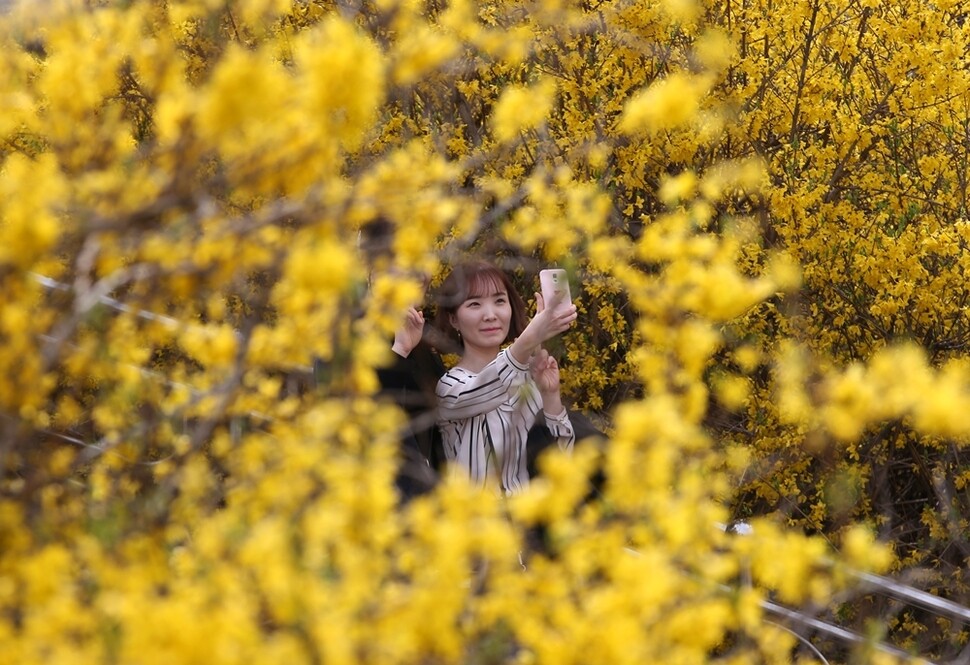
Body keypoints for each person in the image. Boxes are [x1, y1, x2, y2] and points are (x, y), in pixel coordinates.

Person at [432, 260, 578, 495]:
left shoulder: (528, 377)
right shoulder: (451, 386)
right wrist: (529, 340)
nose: (490, 315)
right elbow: (486, 388)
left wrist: (551, 397)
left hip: (531, 523)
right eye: (474, 304)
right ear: (454, 319)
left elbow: (561, 461)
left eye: (499, 301)